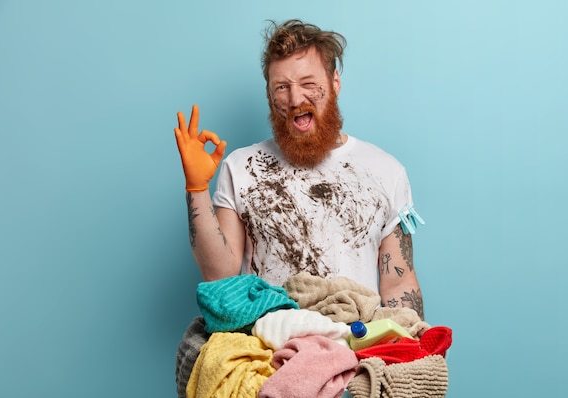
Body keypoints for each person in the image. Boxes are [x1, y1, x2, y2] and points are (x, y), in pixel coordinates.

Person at [174, 19, 425, 320]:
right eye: (282, 87)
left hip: (354, 349)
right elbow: (219, 276)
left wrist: (415, 349)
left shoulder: (386, 171)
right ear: (269, 94)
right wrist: (196, 188)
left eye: (308, 83)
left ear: (335, 83)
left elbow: (398, 284)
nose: (295, 99)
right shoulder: (240, 168)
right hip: (268, 350)